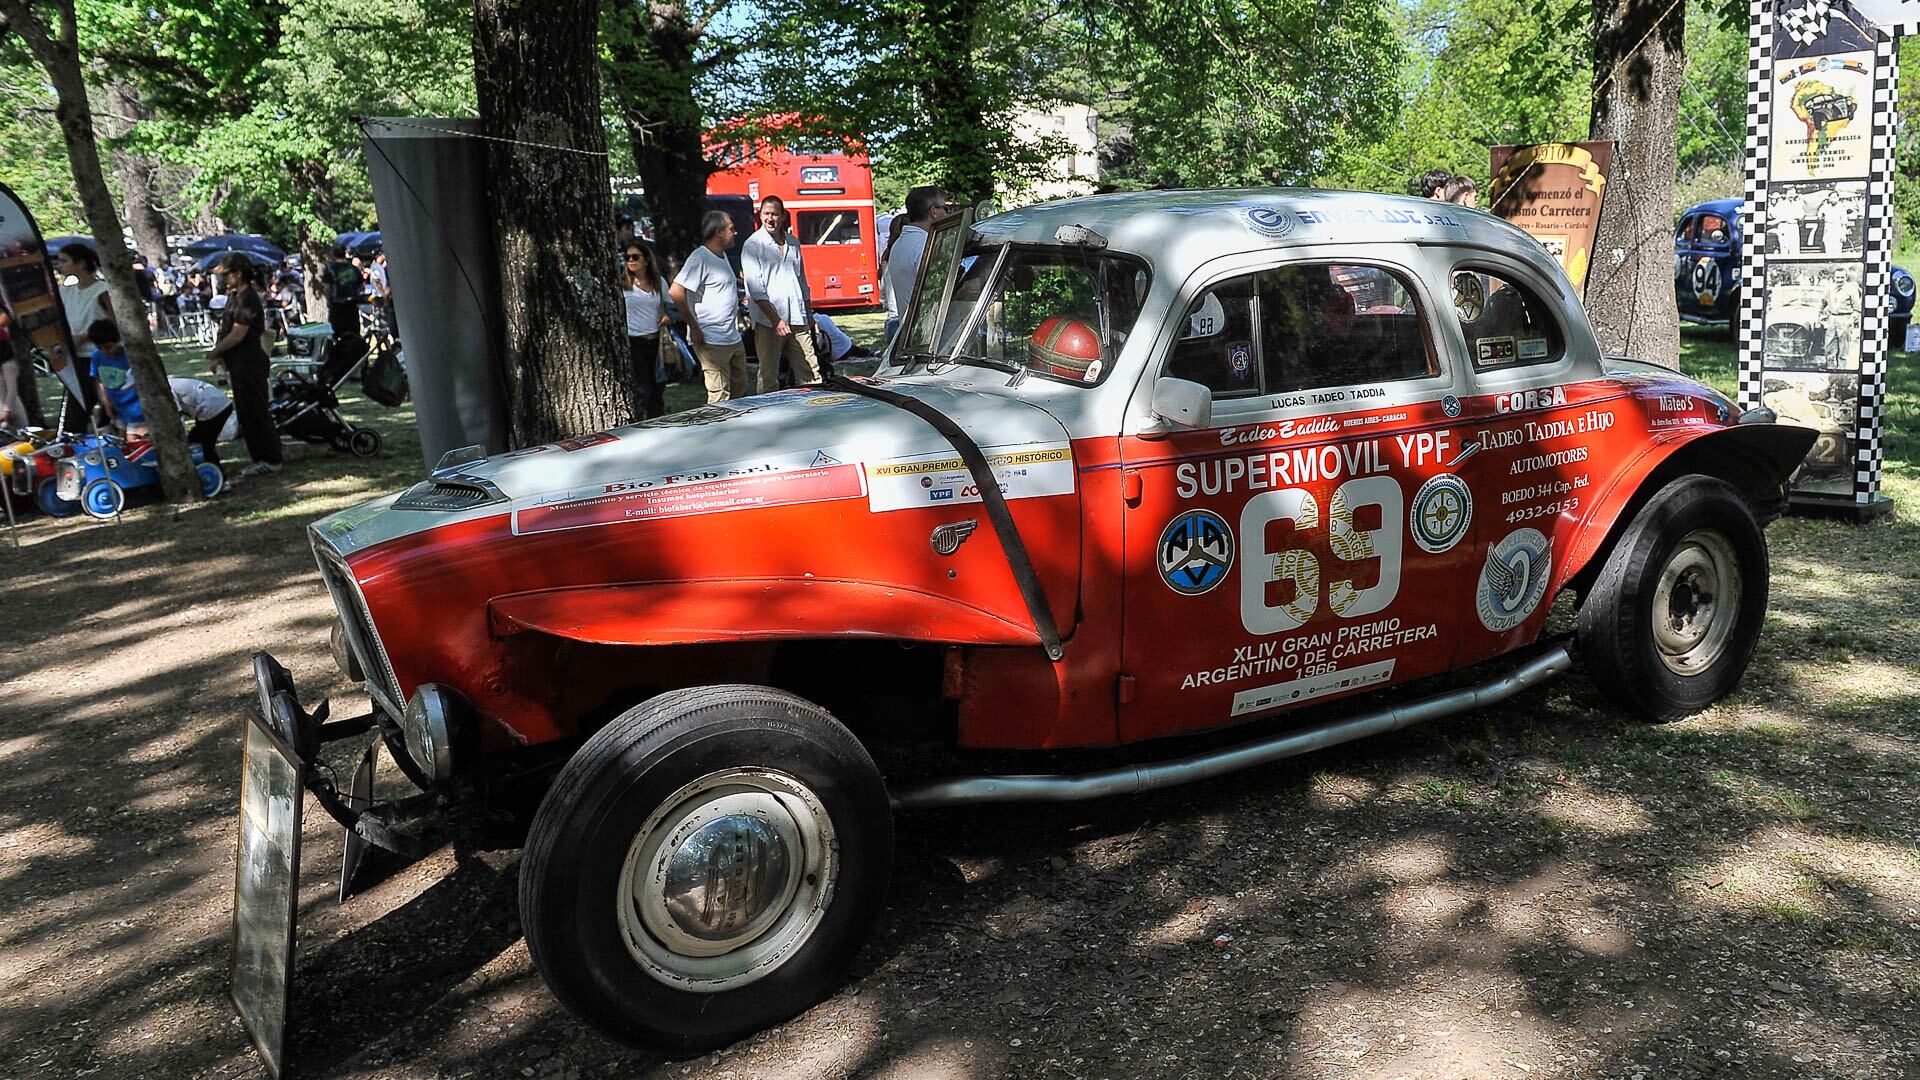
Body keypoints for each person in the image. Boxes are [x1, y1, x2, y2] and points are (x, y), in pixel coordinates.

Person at [208, 254, 281, 476]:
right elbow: (225, 329)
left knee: (256, 410)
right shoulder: (234, 297)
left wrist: (215, 352)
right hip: (237, 363)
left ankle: (271, 458)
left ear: (238, 274)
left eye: (227, 274)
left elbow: (238, 335)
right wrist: (220, 356)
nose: (225, 279)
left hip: (249, 362)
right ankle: (258, 457)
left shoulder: (248, 298)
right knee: (245, 412)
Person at [743, 195, 823, 394]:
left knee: (811, 373)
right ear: (760, 215)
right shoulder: (753, 245)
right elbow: (756, 289)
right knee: (769, 377)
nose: (770, 219)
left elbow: (802, 282)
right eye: (766, 214)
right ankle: (767, 417)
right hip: (769, 322)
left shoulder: (793, 243)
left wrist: (810, 316)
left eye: (774, 214)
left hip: (797, 317)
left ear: (783, 217)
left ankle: (815, 412)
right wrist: (776, 320)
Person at [670, 211, 748, 403]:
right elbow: (676, 291)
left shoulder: (722, 256)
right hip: (710, 338)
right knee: (719, 394)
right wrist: (694, 327)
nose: (735, 233)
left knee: (740, 385)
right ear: (718, 231)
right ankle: (718, 430)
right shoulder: (700, 257)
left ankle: (734, 425)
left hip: (731, 336)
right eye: (731, 229)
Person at [882, 186, 949, 347]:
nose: (947, 213)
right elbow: (941, 291)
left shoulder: (900, 243)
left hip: (913, 333)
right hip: (929, 337)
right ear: (934, 212)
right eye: (945, 208)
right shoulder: (924, 245)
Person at [55, 243, 111, 430]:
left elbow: (116, 324)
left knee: (110, 412)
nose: (59, 265)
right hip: (76, 360)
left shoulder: (102, 290)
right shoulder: (66, 292)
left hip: (102, 357)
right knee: (75, 416)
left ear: (80, 263)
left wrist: (86, 336)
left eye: (64, 261)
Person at [622, 242, 671, 419]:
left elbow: (671, 306)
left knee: (659, 386)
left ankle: (658, 419)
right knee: (643, 387)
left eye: (635, 257)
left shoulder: (659, 282)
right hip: (634, 341)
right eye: (627, 257)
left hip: (657, 340)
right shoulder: (623, 284)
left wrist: (668, 317)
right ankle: (641, 419)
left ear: (647, 260)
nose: (631, 261)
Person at [87, 319, 145, 436]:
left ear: (118, 340)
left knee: (133, 439)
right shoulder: (96, 356)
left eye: (108, 347)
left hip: (136, 407)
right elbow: (99, 381)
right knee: (120, 438)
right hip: (116, 407)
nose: (104, 351)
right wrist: (106, 403)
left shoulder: (129, 356)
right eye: (100, 348)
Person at [169, 376, 237, 465]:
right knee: (195, 439)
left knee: (204, 443)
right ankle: (205, 465)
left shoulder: (166, 389)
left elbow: (176, 416)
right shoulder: (172, 383)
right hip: (221, 403)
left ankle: (214, 470)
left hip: (211, 407)